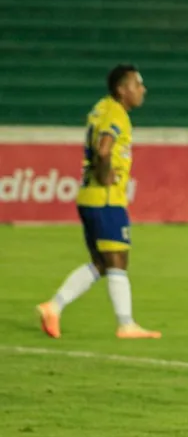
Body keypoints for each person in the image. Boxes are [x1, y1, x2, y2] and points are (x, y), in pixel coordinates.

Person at [36, 64, 159, 339]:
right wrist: (105, 175)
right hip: (106, 198)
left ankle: (53, 306)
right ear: (122, 89)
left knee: (101, 263)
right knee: (118, 261)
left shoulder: (100, 108)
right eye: (137, 85)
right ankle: (126, 324)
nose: (143, 90)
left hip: (88, 196)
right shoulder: (116, 113)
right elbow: (104, 150)